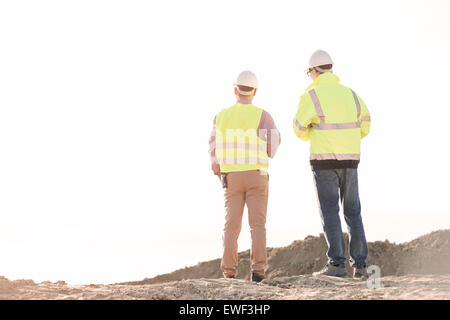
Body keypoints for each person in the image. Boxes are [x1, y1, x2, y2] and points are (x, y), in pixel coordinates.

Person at [293, 50, 371, 278]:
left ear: (314, 71)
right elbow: (365, 126)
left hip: (323, 160)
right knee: (353, 211)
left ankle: (336, 265)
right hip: (351, 160)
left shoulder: (311, 96)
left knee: (330, 211)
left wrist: (314, 135)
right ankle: (361, 266)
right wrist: (346, 140)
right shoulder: (352, 95)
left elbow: (298, 128)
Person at [208, 70, 281, 282]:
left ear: (235, 90)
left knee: (231, 226)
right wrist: (266, 152)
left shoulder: (221, 116)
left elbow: (212, 147)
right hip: (257, 175)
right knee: (257, 225)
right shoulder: (263, 115)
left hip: (232, 177)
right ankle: (258, 272)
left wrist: (219, 171)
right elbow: (273, 144)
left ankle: (229, 272)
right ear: (255, 91)